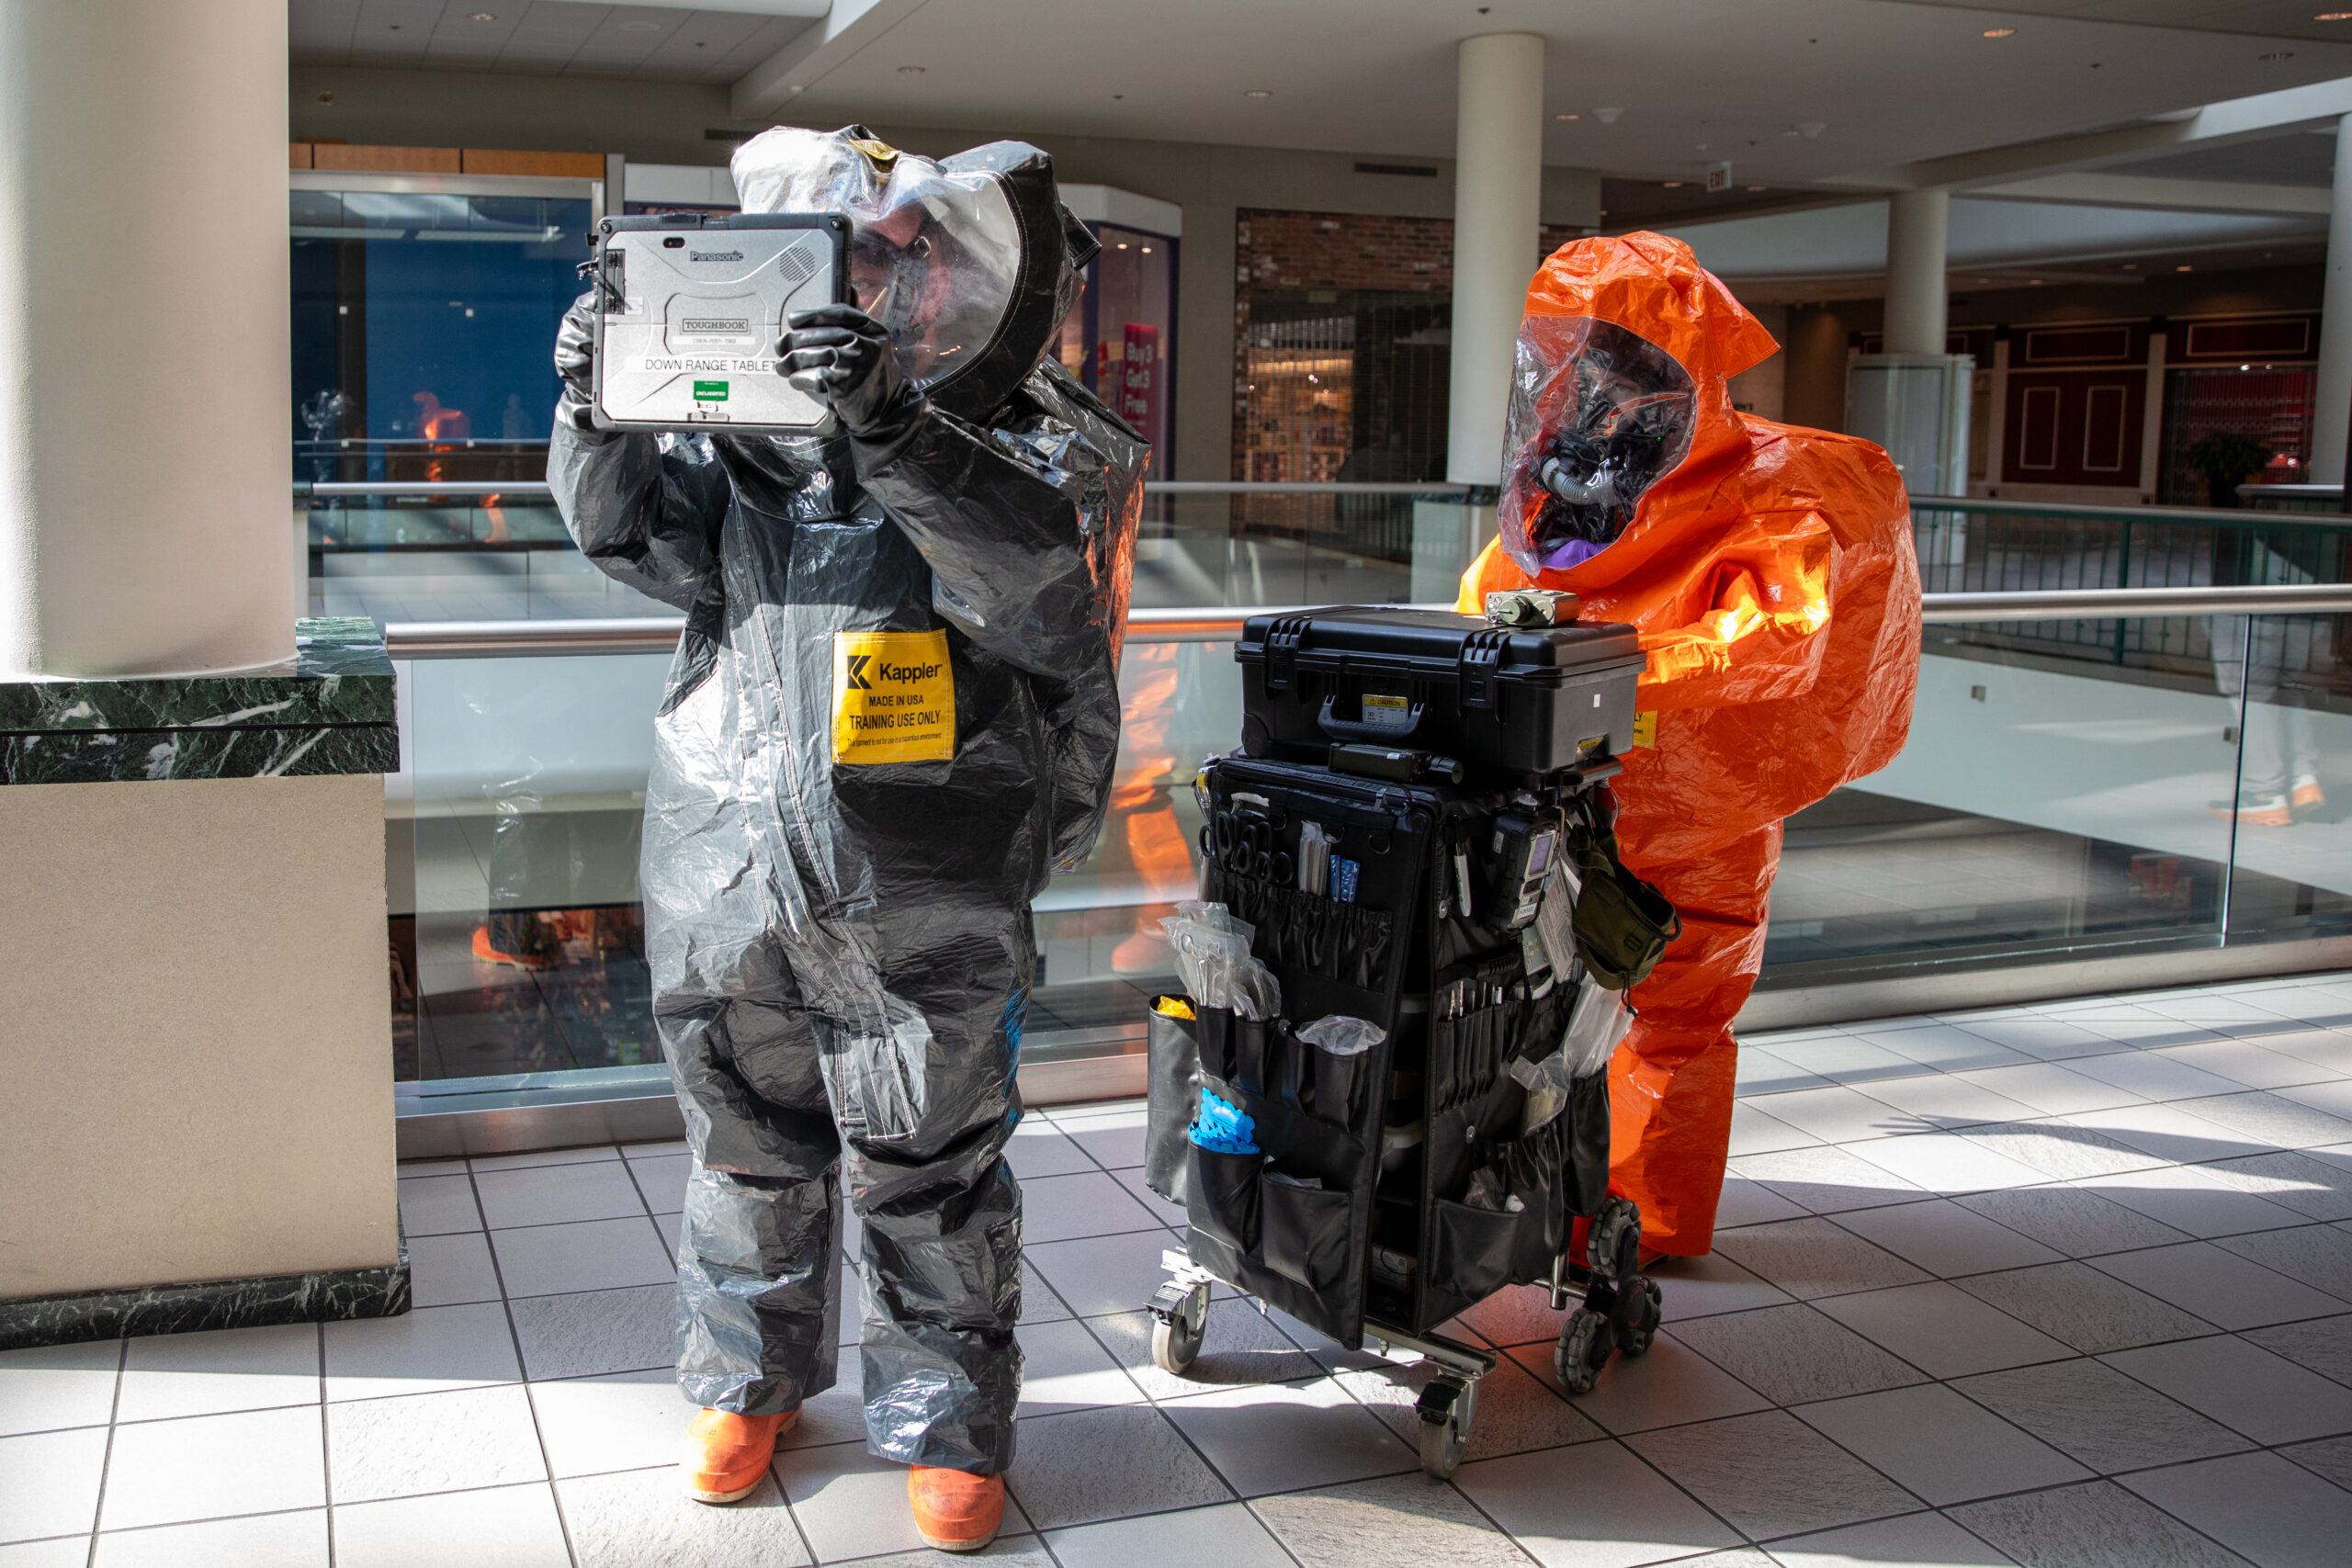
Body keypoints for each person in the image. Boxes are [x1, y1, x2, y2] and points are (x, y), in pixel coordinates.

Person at [549, 126, 1144, 1551]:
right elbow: (646, 548)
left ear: (944, 262)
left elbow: (1042, 605)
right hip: (728, 852)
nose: (862, 283)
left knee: (931, 1156)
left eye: (883, 252)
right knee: (746, 1143)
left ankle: (947, 1414)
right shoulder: (728, 426)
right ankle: (747, 1377)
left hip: (921, 866)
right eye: (834, 253)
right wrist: (593, 406)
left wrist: (894, 430)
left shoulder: (1030, 425)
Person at [1457, 232, 1920, 1259]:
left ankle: (1646, 1222)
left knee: (1674, 1011)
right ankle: (1561, 1202)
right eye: (1572, 347)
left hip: (1699, 805)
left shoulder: (1769, 489)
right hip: (1570, 792)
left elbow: (1767, 643)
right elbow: (1495, 594)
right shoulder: (1560, 483)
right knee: (1540, 1009)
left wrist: (1596, 677)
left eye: (1614, 348)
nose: (1587, 372)